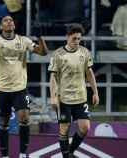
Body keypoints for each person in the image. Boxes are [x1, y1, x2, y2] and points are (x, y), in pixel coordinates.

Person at [0, 15, 48, 158]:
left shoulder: (23, 40)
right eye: (5, 20)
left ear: (14, 26)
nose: (9, 22)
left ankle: (23, 154)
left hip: (20, 88)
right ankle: (5, 155)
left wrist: (40, 37)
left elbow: (43, 52)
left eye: (11, 20)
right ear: (1, 26)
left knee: (24, 118)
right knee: (3, 124)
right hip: (2, 89)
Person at [48, 24, 99, 158]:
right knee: (64, 129)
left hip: (80, 97)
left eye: (79, 39)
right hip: (64, 99)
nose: (77, 41)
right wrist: (53, 97)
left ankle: (69, 152)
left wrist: (95, 92)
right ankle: (66, 156)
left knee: (85, 127)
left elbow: (89, 73)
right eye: (74, 38)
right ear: (67, 37)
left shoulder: (84, 52)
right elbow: (53, 77)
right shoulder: (58, 54)